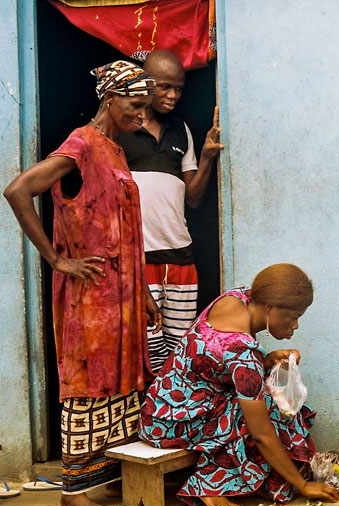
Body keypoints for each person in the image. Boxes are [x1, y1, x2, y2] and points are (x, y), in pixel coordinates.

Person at [4, 60, 161, 506]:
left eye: (146, 107)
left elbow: (126, 229)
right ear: (110, 99)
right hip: (88, 297)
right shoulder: (81, 145)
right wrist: (56, 259)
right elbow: (19, 190)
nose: (142, 115)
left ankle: (105, 478)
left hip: (123, 298)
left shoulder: (114, 148)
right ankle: (73, 492)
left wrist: (143, 291)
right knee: (87, 386)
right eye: (135, 105)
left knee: (120, 386)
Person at [139, 263, 339, 506]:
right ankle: (209, 484)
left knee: (264, 402)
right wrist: (302, 485)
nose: (295, 325)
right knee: (271, 411)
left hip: (161, 406)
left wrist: (266, 362)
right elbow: (261, 434)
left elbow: (218, 365)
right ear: (271, 307)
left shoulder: (236, 298)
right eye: (293, 316)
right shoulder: (242, 351)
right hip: (170, 424)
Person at [116, 49, 223, 373]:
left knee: (180, 352)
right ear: (144, 82)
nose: (174, 95)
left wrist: (206, 156)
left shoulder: (182, 131)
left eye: (179, 88)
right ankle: (143, 421)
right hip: (138, 259)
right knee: (143, 352)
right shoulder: (118, 129)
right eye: (165, 86)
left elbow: (193, 199)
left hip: (180, 259)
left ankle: (171, 420)